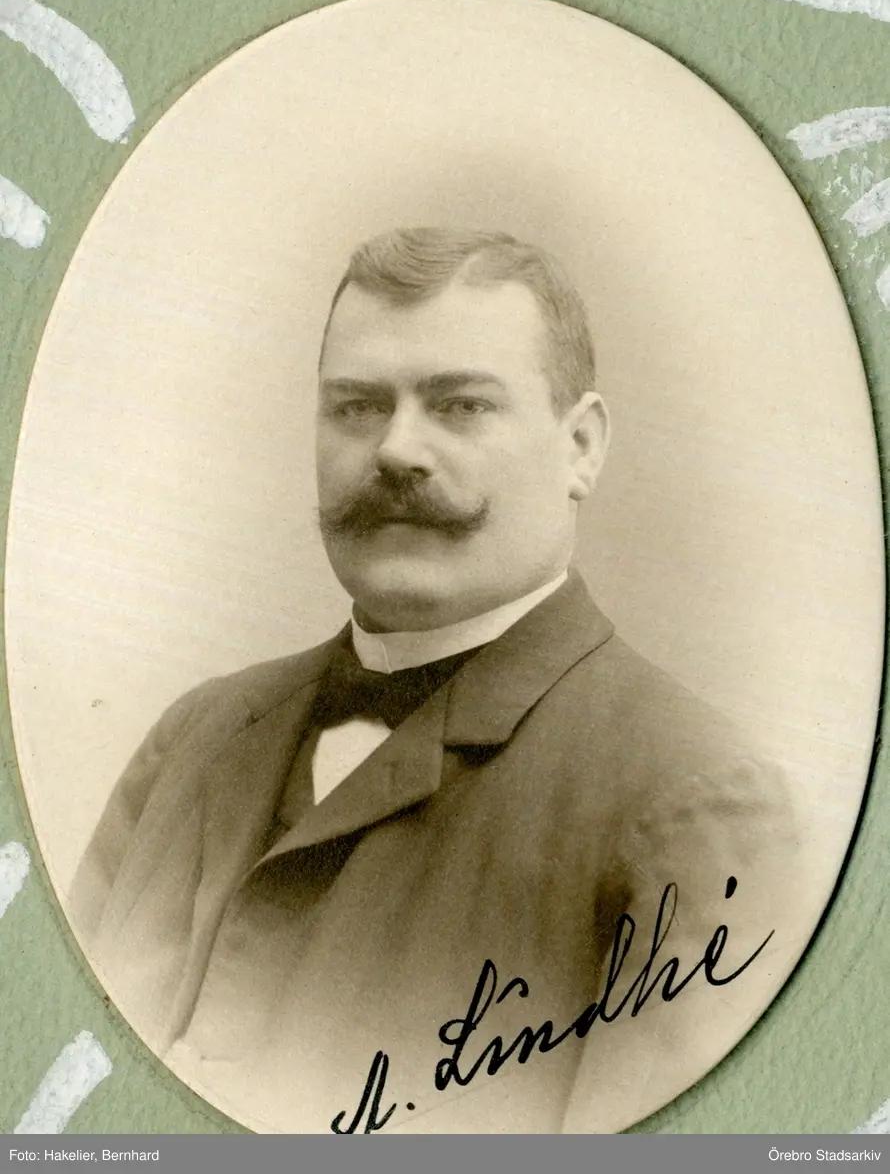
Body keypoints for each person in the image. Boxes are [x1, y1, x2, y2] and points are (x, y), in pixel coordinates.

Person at [70, 227, 797, 1135]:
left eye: (460, 406)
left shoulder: (698, 798)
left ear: (581, 446)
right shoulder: (197, 736)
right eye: (357, 406)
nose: (396, 451)